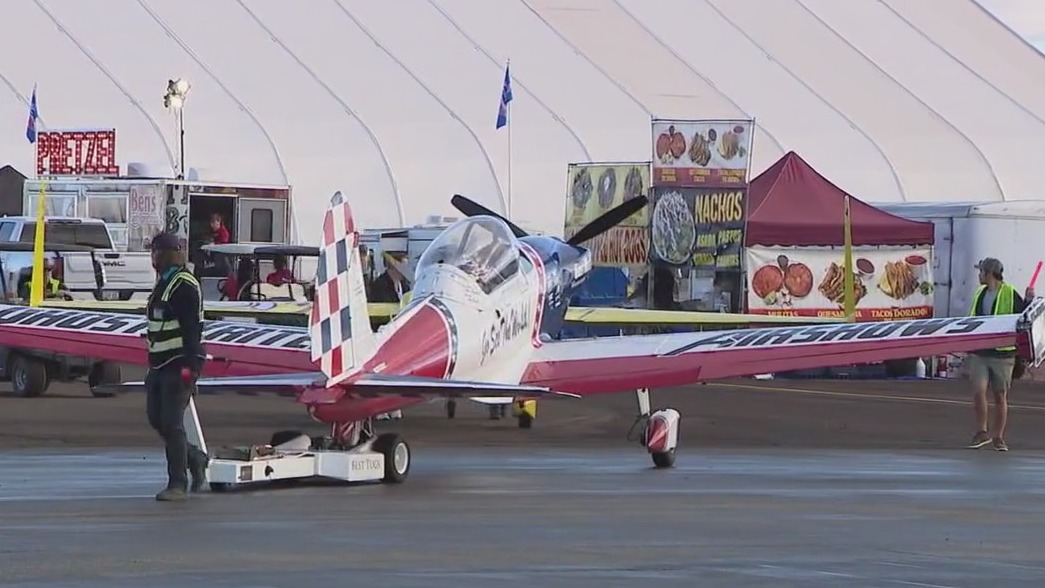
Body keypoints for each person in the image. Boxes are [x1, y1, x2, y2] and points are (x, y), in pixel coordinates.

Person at [145, 232, 209, 501]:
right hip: (159, 364)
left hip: (178, 365)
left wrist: (190, 367)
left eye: (155, 252)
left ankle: (177, 483)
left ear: (166, 254)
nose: (152, 257)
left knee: (172, 423)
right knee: (156, 418)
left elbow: (192, 329)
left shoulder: (183, 285)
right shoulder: (164, 283)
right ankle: (195, 458)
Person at [966, 257, 1035, 452]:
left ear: (989, 273)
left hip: (1003, 354)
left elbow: (1024, 318)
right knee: (978, 391)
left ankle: (998, 436)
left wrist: (1029, 300)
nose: (979, 275)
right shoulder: (979, 293)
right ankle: (981, 432)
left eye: (981, 271)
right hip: (981, 351)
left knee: (1000, 396)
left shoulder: (1009, 293)